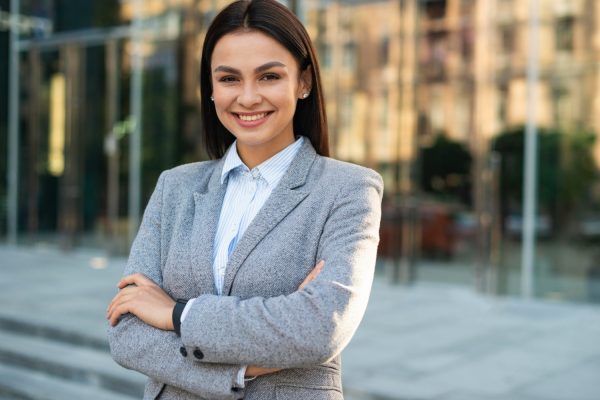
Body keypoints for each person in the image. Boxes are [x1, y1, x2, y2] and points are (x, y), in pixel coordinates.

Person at [106, 0, 383, 399]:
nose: (248, 97)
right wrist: (249, 363)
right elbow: (128, 335)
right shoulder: (175, 187)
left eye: (269, 76)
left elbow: (321, 327)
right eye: (229, 79)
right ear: (212, 89)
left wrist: (176, 314)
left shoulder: (348, 189)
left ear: (303, 82)